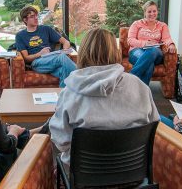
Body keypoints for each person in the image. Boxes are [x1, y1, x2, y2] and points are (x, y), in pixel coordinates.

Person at [49, 28, 160, 167]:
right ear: (115, 51)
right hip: (133, 174)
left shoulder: (69, 92)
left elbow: (61, 142)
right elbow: (154, 127)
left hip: (85, 177)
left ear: (83, 52)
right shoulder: (139, 86)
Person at [15, 6, 76, 88]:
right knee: (62, 58)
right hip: (37, 63)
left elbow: (66, 42)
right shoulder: (20, 35)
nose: (36, 18)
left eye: (36, 15)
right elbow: (26, 58)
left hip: (51, 59)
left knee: (64, 72)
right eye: (32, 16)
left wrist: (65, 50)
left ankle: (62, 97)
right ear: (25, 20)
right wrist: (40, 53)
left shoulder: (46, 29)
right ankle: (83, 77)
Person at [127, 0, 176, 85]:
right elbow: (130, 40)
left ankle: (129, 79)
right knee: (149, 65)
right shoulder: (136, 24)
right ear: (145, 12)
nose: (152, 14)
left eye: (154, 11)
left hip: (155, 53)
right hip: (136, 50)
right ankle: (143, 94)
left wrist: (171, 44)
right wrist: (145, 43)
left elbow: (167, 38)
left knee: (152, 50)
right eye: (149, 11)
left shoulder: (162, 25)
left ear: (157, 11)